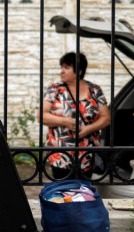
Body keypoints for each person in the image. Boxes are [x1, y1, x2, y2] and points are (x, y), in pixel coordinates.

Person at [40, 51, 111, 180]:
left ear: (79, 71)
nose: (61, 71)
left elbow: (106, 118)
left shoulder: (94, 90)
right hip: (60, 153)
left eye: (66, 68)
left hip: (87, 153)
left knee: (83, 190)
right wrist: (64, 122)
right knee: (63, 190)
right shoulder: (54, 89)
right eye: (61, 67)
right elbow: (41, 116)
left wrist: (88, 129)